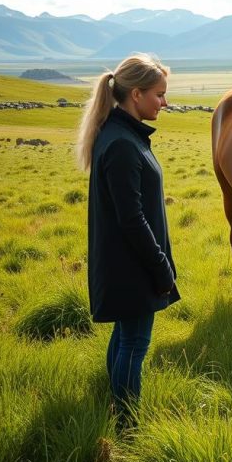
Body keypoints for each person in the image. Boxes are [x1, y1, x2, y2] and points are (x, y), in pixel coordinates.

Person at [75, 53, 181, 429]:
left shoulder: (121, 135)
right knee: (135, 343)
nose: (164, 103)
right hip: (131, 264)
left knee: (125, 337)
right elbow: (132, 219)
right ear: (136, 94)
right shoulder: (122, 144)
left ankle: (115, 408)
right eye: (159, 94)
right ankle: (127, 423)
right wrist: (161, 266)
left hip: (124, 261)